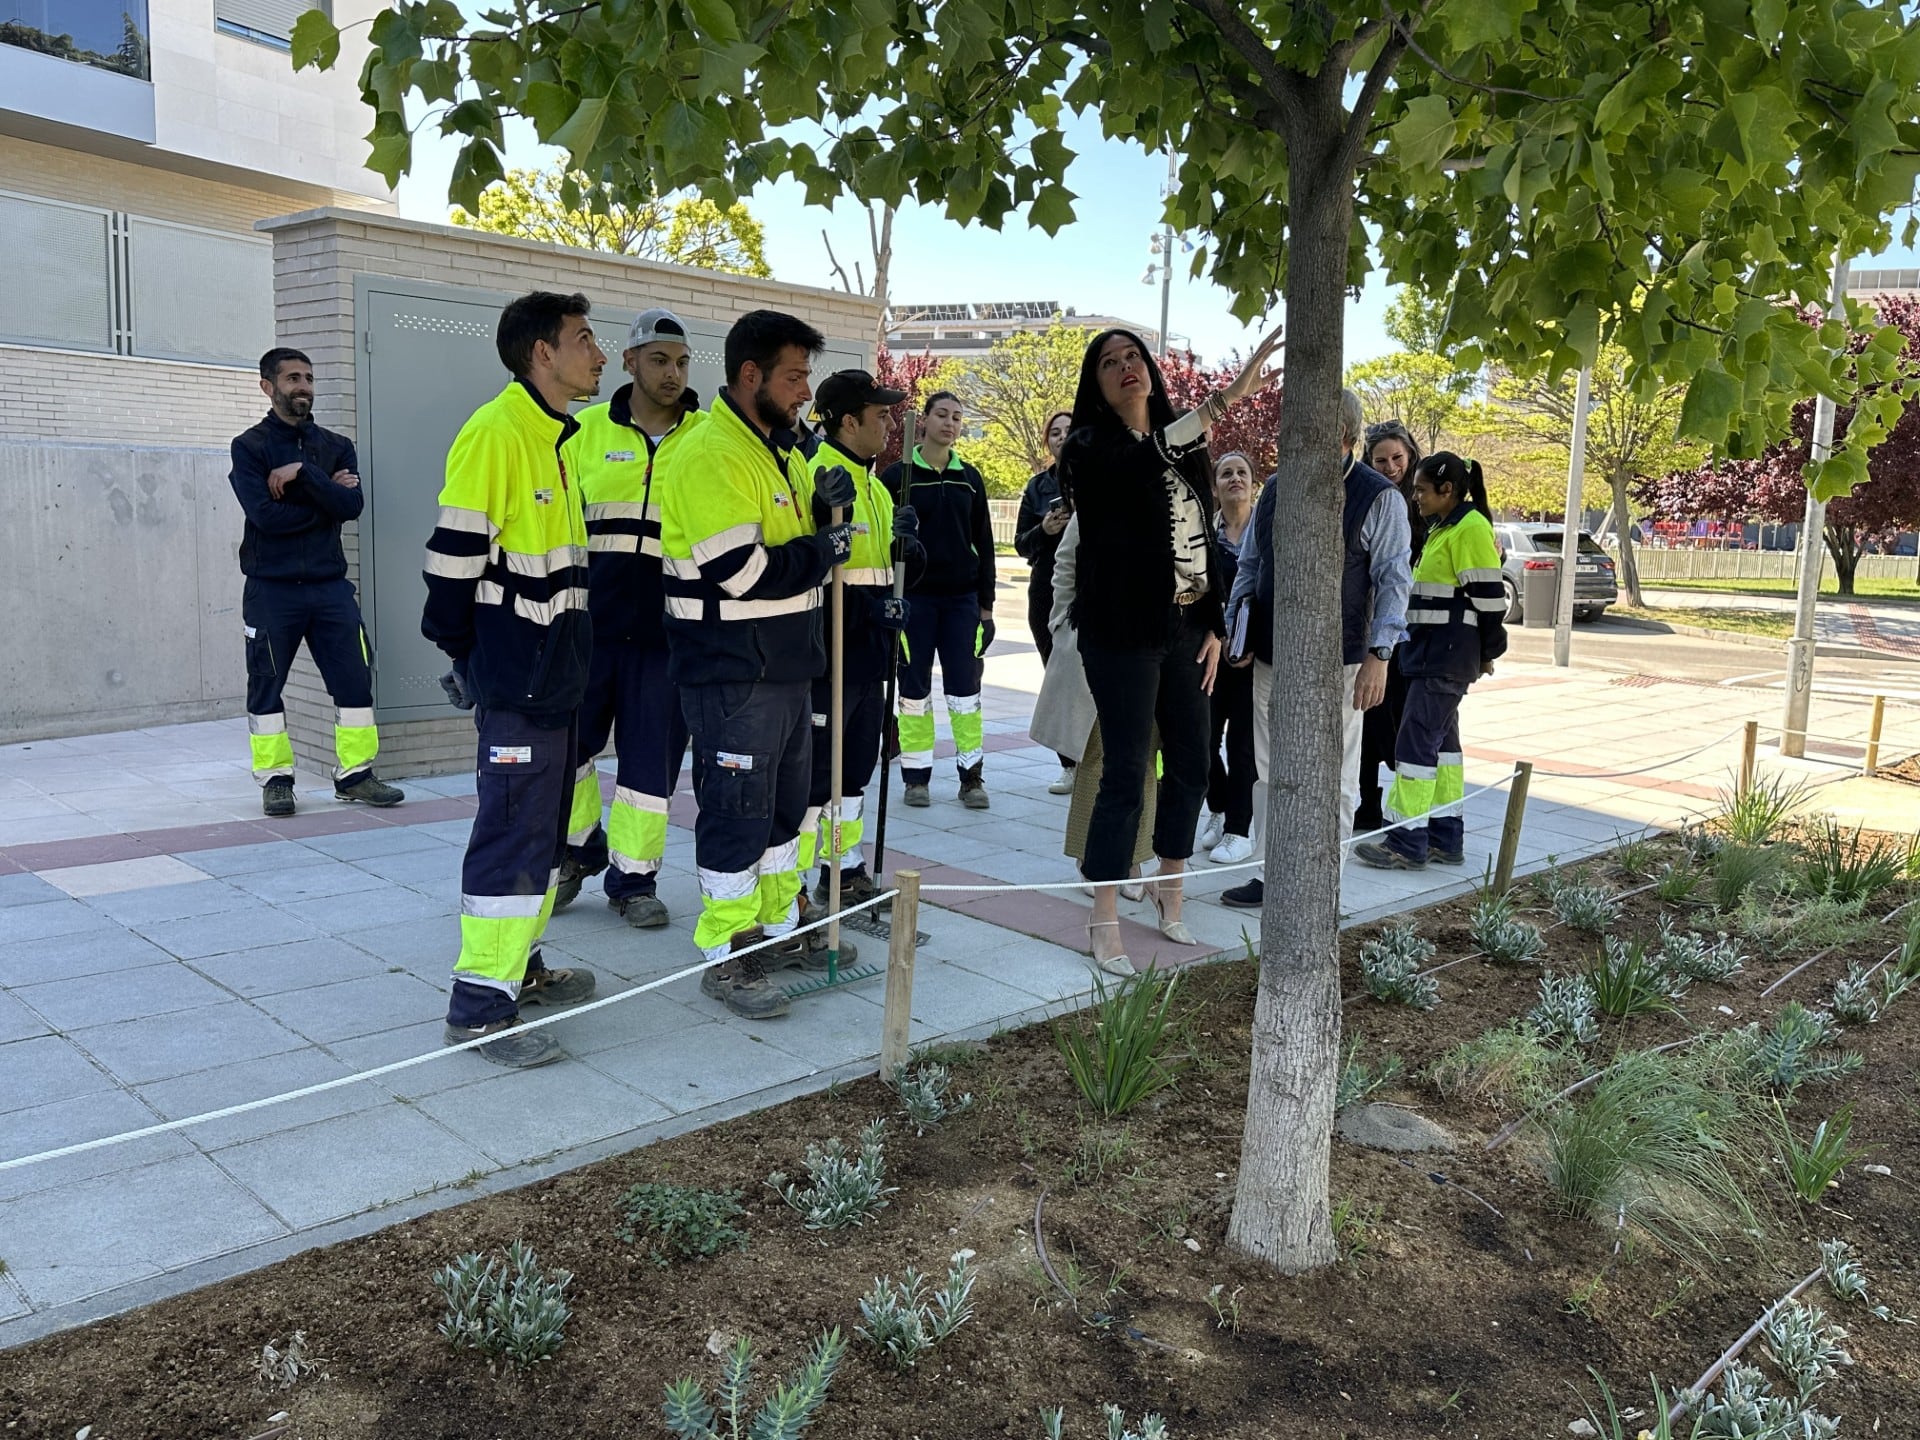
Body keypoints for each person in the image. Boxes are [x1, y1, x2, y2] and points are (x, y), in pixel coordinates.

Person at [1059, 325, 1283, 972]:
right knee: (1126, 772)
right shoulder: (1090, 448)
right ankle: (1103, 918)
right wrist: (1226, 397)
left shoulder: (1185, 450)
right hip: (1121, 634)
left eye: (1134, 357)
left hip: (1187, 629)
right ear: (1096, 381)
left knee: (1193, 763)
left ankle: (1170, 887)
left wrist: (1212, 623)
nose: (1126, 367)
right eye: (1110, 362)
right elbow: (1134, 469)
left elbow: (1200, 542)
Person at [659, 310, 855, 1020]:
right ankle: (731, 950)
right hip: (732, 672)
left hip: (783, 667)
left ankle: (777, 927)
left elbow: (789, 543)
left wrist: (822, 512)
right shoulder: (711, 453)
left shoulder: (776, 451)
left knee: (784, 812)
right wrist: (824, 551)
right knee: (737, 813)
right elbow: (740, 570)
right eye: (796, 376)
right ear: (750, 376)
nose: (807, 392)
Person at [424, 292, 603, 1068]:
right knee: (510, 839)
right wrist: (470, 657)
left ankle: (518, 971)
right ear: (542, 354)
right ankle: (478, 1011)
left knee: (539, 837)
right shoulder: (496, 432)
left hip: (551, 681)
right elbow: (451, 563)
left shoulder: (554, 438)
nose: (597, 354)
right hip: (517, 682)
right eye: (585, 339)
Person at [1220, 389, 1412, 910]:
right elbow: (1252, 566)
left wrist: (1380, 655)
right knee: (1266, 769)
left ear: (1345, 436)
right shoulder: (1276, 490)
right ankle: (1268, 873)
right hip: (1268, 657)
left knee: (1340, 773)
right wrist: (1237, 625)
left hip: (1346, 661)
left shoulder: (1379, 497)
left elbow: (1394, 582)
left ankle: (1328, 879)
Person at [553, 309, 705, 928]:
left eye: (682, 361)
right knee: (568, 749)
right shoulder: (582, 430)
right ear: (630, 362)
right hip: (588, 627)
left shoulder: (705, 438)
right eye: (660, 360)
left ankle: (634, 881)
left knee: (651, 766)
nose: (673, 373)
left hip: (670, 634)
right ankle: (577, 849)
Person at [228, 348, 403, 818]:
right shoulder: (249, 448)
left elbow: (351, 508)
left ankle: (356, 776)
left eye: (307, 377)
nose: (302, 386)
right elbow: (265, 517)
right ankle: (276, 780)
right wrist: (325, 492)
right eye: (291, 378)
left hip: (330, 589)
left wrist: (303, 474)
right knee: (266, 686)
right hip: (272, 589)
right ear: (268, 386)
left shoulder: (335, 446)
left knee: (355, 683)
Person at [800, 369, 922, 908]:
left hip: (870, 656)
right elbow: (818, 574)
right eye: (880, 414)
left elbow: (882, 572)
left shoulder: (873, 483)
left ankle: (841, 868)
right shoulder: (817, 475)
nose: (890, 423)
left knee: (853, 774)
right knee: (817, 777)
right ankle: (792, 886)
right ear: (848, 421)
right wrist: (875, 612)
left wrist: (908, 555)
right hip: (833, 656)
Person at [1355, 453, 1506, 870]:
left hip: (1445, 657)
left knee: (1416, 745)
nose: (1415, 497)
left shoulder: (1469, 528)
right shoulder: (1446, 527)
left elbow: (1491, 601)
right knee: (1443, 750)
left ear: (1447, 491)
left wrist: (1488, 651)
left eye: (1422, 490)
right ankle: (1444, 836)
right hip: (1432, 654)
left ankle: (1406, 841)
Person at [882, 390, 996, 810]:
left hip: (962, 601)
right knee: (913, 692)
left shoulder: (970, 477)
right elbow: (882, 542)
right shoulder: (898, 477)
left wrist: (986, 606)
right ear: (924, 420)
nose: (950, 423)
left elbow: (983, 542)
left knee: (965, 693)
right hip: (915, 601)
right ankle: (916, 778)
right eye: (942, 415)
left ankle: (972, 778)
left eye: (957, 417)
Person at [1353, 419, 1427, 835]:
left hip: (1414, 634)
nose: (1390, 467)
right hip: (1376, 627)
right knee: (1368, 722)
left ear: (1410, 454)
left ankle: (1409, 809)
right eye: (1381, 460)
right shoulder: (1370, 498)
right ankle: (1367, 803)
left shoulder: (1424, 501)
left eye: (1397, 458)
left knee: (1402, 724)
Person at [1196, 451, 1257, 866]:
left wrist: (1255, 643)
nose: (1234, 478)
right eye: (1225, 473)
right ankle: (1217, 807)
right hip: (1208, 656)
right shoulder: (1203, 533)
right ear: (1215, 485)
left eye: (1241, 472)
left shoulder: (1267, 529)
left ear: (1253, 483)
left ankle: (1239, 830)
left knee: (1243, 748)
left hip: (1253, 660)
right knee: (1201, 742)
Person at [1015, 409, 1077, 794]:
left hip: (1090, 591)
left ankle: (1098, 761)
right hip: (1046, 591)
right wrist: (1045, 528)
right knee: (1057, 678)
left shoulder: (1099, 477)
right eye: (1054, 432)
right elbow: (1021, 543)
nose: (1062, 436)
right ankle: (1068, 764)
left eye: (1069, 430)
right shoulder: (1037, 487)